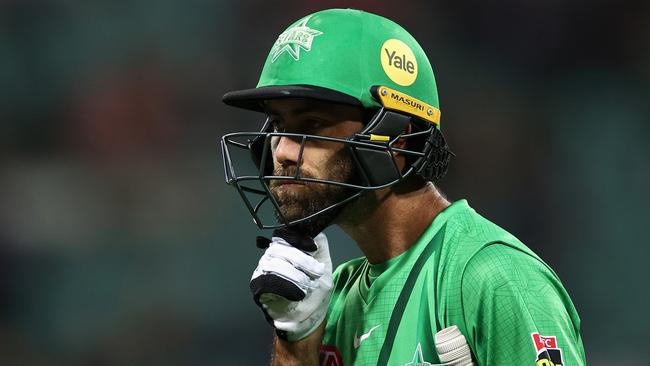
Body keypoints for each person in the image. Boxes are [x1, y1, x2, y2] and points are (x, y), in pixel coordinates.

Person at [221, 8, 586, 366]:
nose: (282, 151)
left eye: (312, 125)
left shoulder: (493, 277)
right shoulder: (333, 301)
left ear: (397, 141)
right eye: (278, 126)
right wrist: (295, 339)